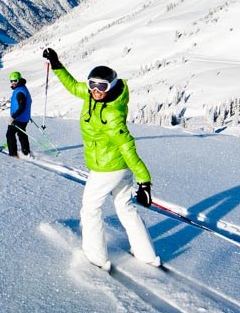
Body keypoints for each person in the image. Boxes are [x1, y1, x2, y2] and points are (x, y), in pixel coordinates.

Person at [42, 48, 160, 270]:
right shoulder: (89, 96)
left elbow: (127, 147)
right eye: (92, 84)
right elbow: (72, 85)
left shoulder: (112, 114)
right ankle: (146, 255)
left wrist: (145, 182)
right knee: (124, 207)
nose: (96, 90)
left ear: (112, 86)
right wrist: (57, 64)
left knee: (90, 209)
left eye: (102, 86)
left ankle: (96, 257)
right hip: (119, 168)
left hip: (108, 168)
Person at [6, 71, 32, 158]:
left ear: (19, 80)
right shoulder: (22, 88)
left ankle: (13, 154)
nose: (13, 83)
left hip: (18, 118)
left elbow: (21, 107)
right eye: (11, 81)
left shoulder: (20, 92)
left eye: (15, 80)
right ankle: (26, 152)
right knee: (21, 134)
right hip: (23, 117)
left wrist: (12, 117)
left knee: (10, 134)